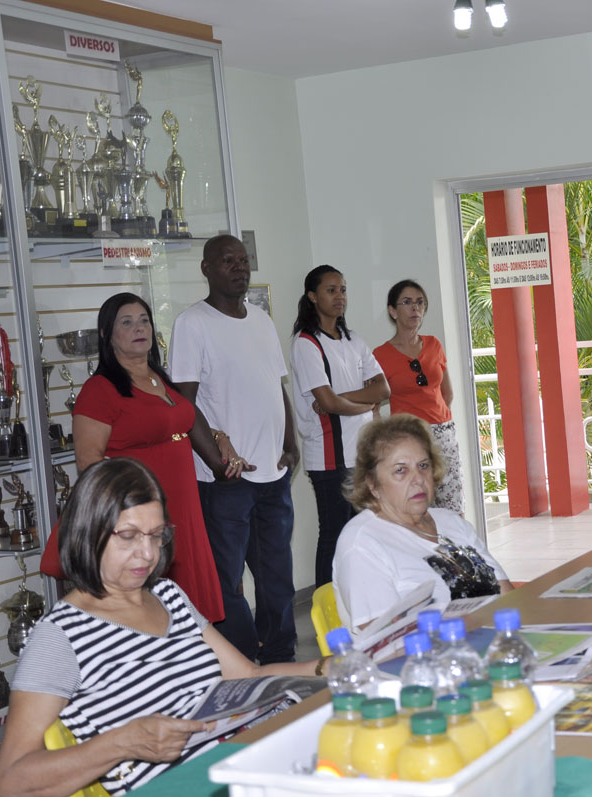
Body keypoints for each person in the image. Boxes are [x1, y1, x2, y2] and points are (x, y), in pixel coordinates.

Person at [0, 458, 325, 796]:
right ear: (87, 531)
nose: (147, 553)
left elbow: (250, 677)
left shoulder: (168, 595)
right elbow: (11, 784)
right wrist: (121, 743)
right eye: (128, 536)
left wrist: (328, 669)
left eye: (156, 536)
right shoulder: (59, 636)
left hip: (236, 764)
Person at [38, 292, 249, 622]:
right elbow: (88, 462)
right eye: (127, 322)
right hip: (141, 517)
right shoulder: (100, 389)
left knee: (188, 616)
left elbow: (181, 423)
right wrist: (131, 519)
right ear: (108, 335)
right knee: (154, 614)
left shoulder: (158, 378)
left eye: (144, 320)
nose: (139, 328)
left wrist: (220, 439)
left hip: (184, 509)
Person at [170, 234, 300, 663]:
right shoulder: (193, 323)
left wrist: (289, 442)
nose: (239, 267)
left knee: (276, 577)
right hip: (226, 482)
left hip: (272, 476)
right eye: (228, 261)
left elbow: (275, 385)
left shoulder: (260, 320)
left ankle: (280, 658)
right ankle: (241, 665)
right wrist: (216, 459)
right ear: (207, 269)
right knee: (227, 584)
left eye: (243, 260)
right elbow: (184, 403)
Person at [332, 414, 511, 628]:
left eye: (423, 466)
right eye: (400, 470)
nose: (418, 479)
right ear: (372, 484)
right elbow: (386, 642)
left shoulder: (452, 522)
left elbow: (507, 596)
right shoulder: (361, 543)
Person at [289, 264, 388, 588]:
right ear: (312, 296)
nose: (339, 296)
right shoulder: (307, 343)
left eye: (343, 289)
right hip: (329, 458)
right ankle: (328, 614)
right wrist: (362, 403)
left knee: (362, 534)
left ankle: (359, 605)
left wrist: (343, 399)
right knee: (334, 535)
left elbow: (383, 390)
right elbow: (326, 404)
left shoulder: (353, 339)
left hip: (360, 454)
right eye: (331, 290)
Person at [373, 279, 466, 514]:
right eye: (407, 302)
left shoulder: (434, 344)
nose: (415, 308)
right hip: (407, 438)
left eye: (420, 303)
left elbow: (448, 393)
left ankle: (455, 551)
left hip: (443, 433)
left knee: (452, 507)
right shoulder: (380, 355)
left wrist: (436, 423)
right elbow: (374, 406)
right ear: (392, 311)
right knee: (417, 507)